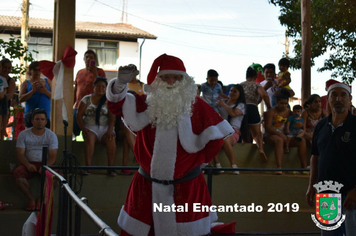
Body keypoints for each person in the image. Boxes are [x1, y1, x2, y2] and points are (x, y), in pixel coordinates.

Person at [106, 54, 234, 236]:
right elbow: (117, 106)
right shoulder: (145, 103)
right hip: (146, 187)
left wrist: (195, 164)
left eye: (176, 77)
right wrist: (119, 84)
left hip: (187, 188)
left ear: (184, 81)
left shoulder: (197, 106)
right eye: (165, 77)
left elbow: (215, 140)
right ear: (157, 80)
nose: (171, 81)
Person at [306, 82, 356, 235]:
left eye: (343, 95)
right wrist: (311, 186)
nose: (338, 99)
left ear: (349, 99)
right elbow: (315, 157)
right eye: (334, 95)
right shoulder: (321, 126)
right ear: (327, 99)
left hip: (350, 195)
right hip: (326, 194)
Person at [13, 109, 58, 211]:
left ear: (46, 121)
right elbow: (20, 154)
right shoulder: (23, 134)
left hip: (45, 164)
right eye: (37, 119)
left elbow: (53, 156)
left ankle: (40, 200)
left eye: (42, 119)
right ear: (32, 121)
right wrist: (28, 165)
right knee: (17, 174)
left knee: (55, 177)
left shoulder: (51, 135)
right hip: (28, 163)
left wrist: (45, 166)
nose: (40, 121)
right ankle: (31, 200)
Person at [76, 77, 116, 176]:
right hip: (90, 128)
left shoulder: (109, 100)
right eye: (98, 86)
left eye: (103, 87)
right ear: (93, 87)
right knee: (89, 139)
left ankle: (110, 168)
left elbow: (112, 117)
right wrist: (83, 129)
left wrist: (110, 130)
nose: (100, 88)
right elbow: (79, 115)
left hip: (105, 129)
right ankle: (88, 168)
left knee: (111, 139)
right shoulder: (86, 99)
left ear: (106, 88)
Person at [264, 89, 307, 174]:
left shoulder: (289, 112)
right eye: (281, 103)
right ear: (277, 102)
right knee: (279, 140)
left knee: (301, 141)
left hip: (286, 136)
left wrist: (300, 124)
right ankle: (279, 168)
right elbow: (268, 128)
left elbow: (297, 120)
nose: (283, 105)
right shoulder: (271, 112)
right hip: (271, 135)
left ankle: (304, 168)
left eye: (285, 103)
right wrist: (279, 134)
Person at [73, 50, 106, 137]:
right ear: (84, 59)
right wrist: (73, 103)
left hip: (92, 104)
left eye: (91, 57)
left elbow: (102, 86)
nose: (88, 59)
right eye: (87, 57)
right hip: (78, 104)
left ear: (94, 59)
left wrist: (95, 75)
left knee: (89, 129)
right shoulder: (80, 72)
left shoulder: (100, 72)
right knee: (74, 123)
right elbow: (76, 88)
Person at [216, 84, 248, 175]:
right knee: (213, 138)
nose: (232, 93)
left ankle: (233, 166)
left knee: (226, 141)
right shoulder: (223, 102)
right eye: (231, 91)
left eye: (235, 91)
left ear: (240, 94)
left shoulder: (241, 105)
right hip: (221, 129)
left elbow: (233, 113)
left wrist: (223, 105)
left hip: (233, 130)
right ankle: (217, 165)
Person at [241, 66, 270, 161]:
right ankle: (261, 149)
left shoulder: (240, 85)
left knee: (244, 133)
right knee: (257, 134)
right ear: (255, 77)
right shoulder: (256, 85)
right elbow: (264, 95)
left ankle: (244, 155)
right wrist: (269, 107)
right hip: (252, 108)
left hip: (241, 109)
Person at [121, 74, 145, 175]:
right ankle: (138, 154)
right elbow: (123, 125)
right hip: (120, 132)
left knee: (128, 138)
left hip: (131, 135)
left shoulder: (137, 110)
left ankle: (124, 166)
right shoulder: (121, 109)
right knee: (127, 130)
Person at [19, 61, 51, 128]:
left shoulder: (47, 81)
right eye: (35, 70)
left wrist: (44, 90)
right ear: (30, 70)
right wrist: (32, 91)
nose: (37, 72)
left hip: (45, 116)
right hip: (31, 116)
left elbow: (54, 97)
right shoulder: (26, 83)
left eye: (39, 70)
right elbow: (20, 99)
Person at [1, 58, 16, 139]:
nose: (7, 70)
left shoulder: (11, 81)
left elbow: (10, 95)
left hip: (4, 108)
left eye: (9, 68)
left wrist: (2, 96)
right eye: (4, 67)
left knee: (2, 129)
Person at [0, 62, 8, 139]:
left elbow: (5, 88)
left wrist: (3, 94)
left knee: (5, 112)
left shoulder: (3, 78)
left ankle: (3, 128)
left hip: (3, 97)